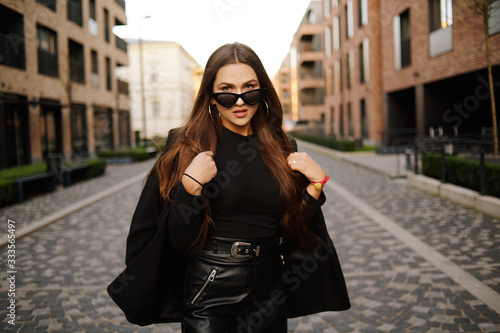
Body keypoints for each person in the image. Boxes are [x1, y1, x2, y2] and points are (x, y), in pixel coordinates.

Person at [107, 42, 350, 332]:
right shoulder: (187, 146)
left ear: (263, 92)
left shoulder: (282, 147)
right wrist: (190, 187)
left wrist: (314, 188)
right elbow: (176, 240)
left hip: (269, 288)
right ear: (210, 96)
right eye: (226, 90)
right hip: (209, 290)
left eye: (249, 88)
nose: (239, 100)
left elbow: (287, 231)